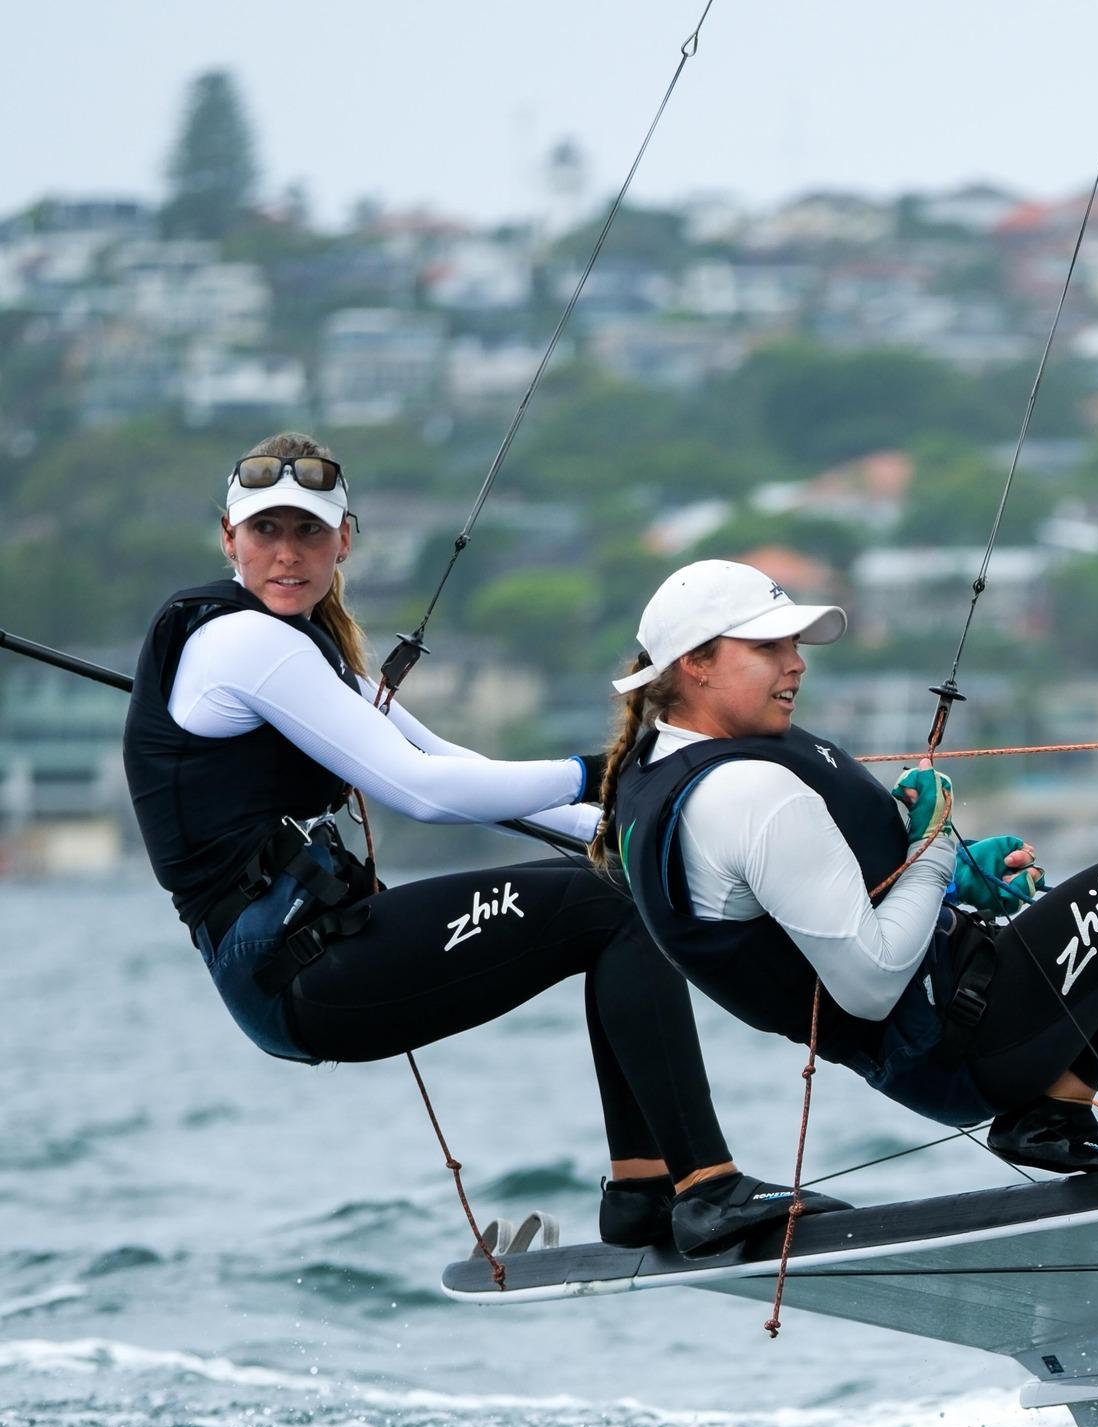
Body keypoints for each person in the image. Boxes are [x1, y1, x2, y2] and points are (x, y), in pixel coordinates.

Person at [122, 433, 819, 1254]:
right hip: (297, 972)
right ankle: (704, 1188)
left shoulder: (304, 650)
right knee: (611, 909)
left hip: (304, 961)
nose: (287, 554)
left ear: (343, 540)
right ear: (229, 538)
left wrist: (628, 826)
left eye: (308, 532)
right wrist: (599, 769)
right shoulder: (243, 642)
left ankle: (648, 1188)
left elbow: (458, 766)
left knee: (619, 893)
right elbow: (421, 792)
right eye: (265, 532)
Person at [591, 559, 1098, 1230]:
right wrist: (936, 848)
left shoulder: (663, 769)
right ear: (696, 663)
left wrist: (956, 874)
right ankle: (1055, 1110)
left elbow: (818, 891)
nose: (796, 662)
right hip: (965, 1033)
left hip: (974, 995)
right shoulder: (743, 791)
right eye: (768, 646)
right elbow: (869, 984)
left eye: (795, 644)